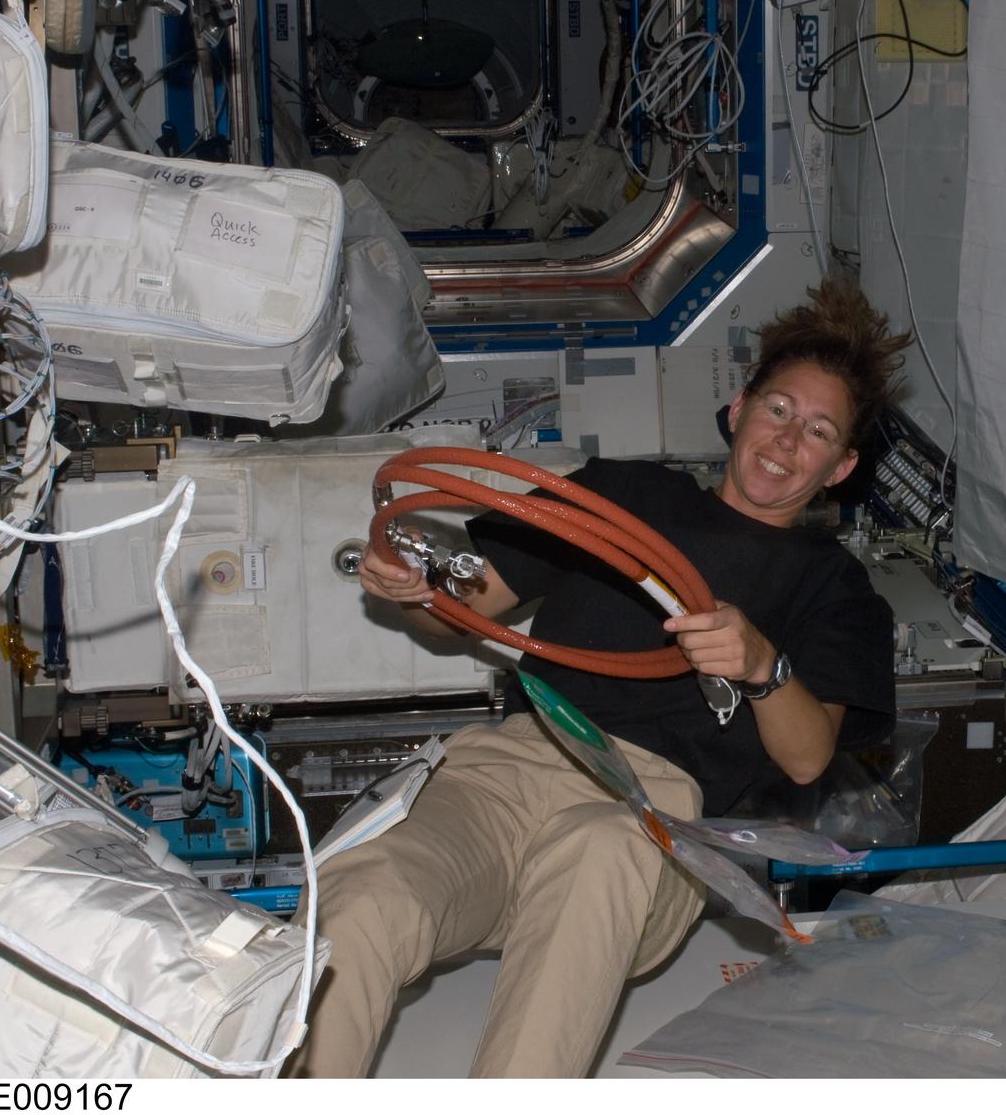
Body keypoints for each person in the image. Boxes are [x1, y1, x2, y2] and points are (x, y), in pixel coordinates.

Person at [292, 277, 911, 1078]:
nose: (789, 440)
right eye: (780, 409)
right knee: (365, 894)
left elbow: (805, 758)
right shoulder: (622, 494)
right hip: (511, 767)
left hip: (648, 814)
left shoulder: (837, 588)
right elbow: (469, 603)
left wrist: (763, 666)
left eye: (820, 431)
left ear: (842, 466)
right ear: (739, 409)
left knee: (597, 849)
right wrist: (415, 591)